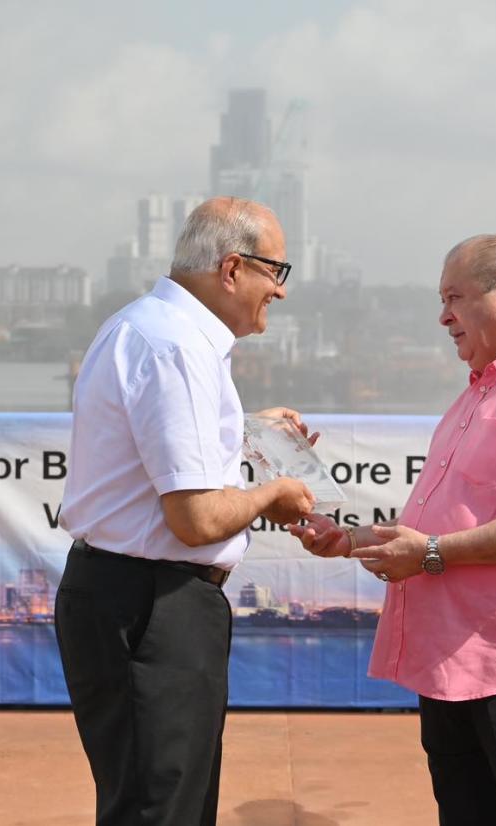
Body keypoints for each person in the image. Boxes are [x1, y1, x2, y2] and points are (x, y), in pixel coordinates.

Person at [289, 234, 496, 826]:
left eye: (454, 298)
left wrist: (434, 554)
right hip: (451, 666)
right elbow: (437, 528)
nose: (442, 317)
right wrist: (348, 541)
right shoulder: (477, 395)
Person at [56, 196, 316, 826]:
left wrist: (247, 431)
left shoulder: (152, 329)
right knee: (160, 807)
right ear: (232, 269)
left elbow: (152, 449)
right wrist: (273, 495)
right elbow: (196, 519)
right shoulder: (176, 347)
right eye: (275, 272)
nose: (279, 293)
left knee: (163, 799)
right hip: (151, 605)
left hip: (138, 596)